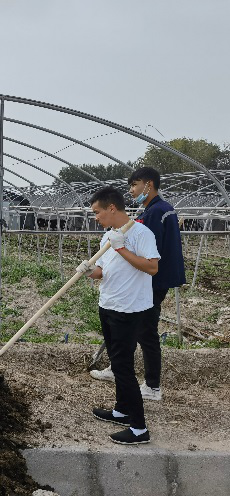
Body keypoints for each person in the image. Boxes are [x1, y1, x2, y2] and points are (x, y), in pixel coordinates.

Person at [90, 167, 185, 401]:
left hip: (152, 281)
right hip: (156, 279)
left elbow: (146, 255)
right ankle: (118, 368)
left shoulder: (155, 213)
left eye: (135, 185)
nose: (132, 191)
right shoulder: (160, 209)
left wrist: (120, 252)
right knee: (130, 330)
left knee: (145, 331)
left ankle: (152, 386)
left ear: (148, 184)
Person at [76, 186, 160, 445]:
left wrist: (123, 249)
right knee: (116, 359)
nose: (96, 217)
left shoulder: (141, 233)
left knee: (122, 368)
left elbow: (152, 268)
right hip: (109, 304)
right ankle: (122, 411)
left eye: (98, 212)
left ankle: (139, 429)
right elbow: (103, 270)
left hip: (129, 309)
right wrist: (90, 271)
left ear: (112, 208)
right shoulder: (109, 236)